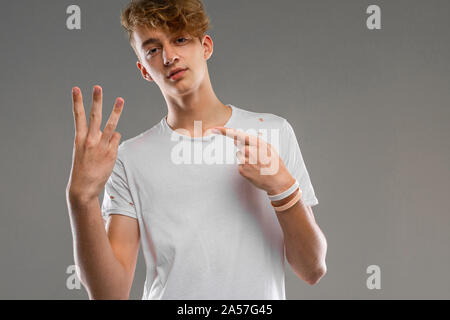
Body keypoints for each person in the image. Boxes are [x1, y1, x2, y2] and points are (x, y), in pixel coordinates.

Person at [66, 0, 327, 300]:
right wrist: (82, 200)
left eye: (180, 39)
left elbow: (312, 269)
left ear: (205, 46)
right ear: (144, 69)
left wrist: (282, 187)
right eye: (152, 49)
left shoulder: (272, 133)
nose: (169, 56)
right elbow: (109, 295)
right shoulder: (130, 159)